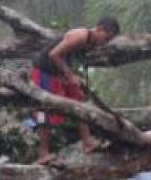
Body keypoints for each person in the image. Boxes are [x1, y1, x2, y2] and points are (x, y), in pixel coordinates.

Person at [31, 17, 120, 164]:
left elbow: (70, 60)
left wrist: (74, 78)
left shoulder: (92, 43)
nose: (105, 42)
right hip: (44, 71)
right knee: (44, 112)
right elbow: (54, 54)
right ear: (99, 29)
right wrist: (70, 75)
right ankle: (43, 153)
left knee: (80, 102)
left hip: (60, 73)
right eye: (106, 38)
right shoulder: (80, 36)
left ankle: (87, 142)